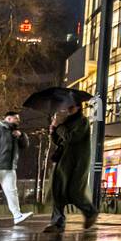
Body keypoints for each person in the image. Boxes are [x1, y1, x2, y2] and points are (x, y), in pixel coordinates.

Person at [41, 98, 97, 233]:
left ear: (78, 107)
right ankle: (57, 222)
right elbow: (60, 141)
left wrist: (59, 128)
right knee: (58, 190)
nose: (68, 108)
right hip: (63, 161)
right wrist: (53, 131)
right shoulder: (66, 122)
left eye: (71, 106)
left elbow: (72, 138)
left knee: (74, 191)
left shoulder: (83, 121)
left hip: (77, 163)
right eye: (67, 106)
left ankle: (90, 212)